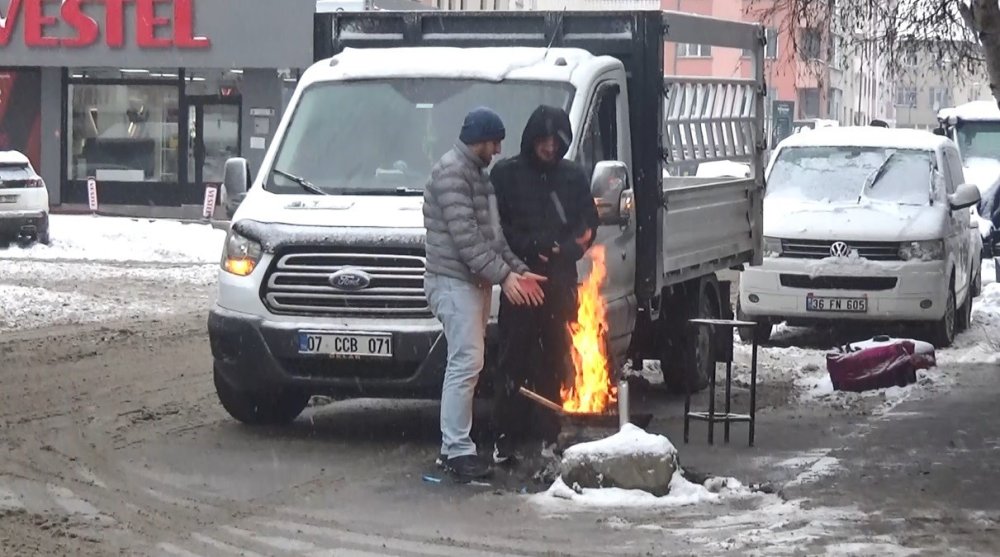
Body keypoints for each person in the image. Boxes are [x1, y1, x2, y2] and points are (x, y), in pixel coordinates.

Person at [423, 107, 547, 481]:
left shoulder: (477, 176)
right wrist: (505, 276)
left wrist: (518, 270)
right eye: (494, 143)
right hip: (452, 282)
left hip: (470, 283)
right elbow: (467, 241)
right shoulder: (451, 174)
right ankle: (456, 450)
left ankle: (456, 446)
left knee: (469, 363)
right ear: (480, 138)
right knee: (466, 362)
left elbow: (494, 239)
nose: (497, 151)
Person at [490, 105, 600, 464]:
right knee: (513, 359)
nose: (551, 148)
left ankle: (551, 432)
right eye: (544, 141)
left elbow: (588, 224)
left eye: (557, 142)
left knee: (558, 357)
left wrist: (566, 250)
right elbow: (497, 227)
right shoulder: (506, 175)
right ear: (531, 139)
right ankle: (506, 435)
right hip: (521, 279)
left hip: (560, 280)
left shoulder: (573, 177)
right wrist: (528, 249)